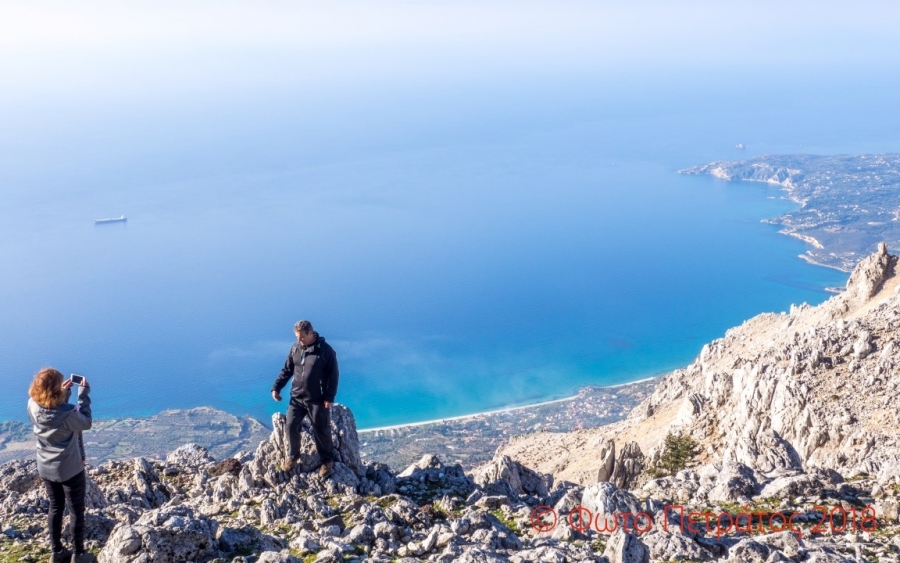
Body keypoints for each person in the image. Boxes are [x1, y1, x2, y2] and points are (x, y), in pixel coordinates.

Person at [27, 368, 95, 563]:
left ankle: (57, 552)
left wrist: (64, 395)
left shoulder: (32, 405)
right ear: (55, 390)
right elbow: (86, 422)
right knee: (76, 511)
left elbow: (50, 412)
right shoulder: (68, 415)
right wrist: (84, 396)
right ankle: (79, 555)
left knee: (55, 507)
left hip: (45, 467)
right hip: (70, 469)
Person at [271, 320, 339, 478]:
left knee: (321, 430)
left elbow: (333, 375)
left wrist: (329, 397)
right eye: (297, 337)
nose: (299, 340)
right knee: (290, 426)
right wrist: (276, 387)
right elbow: (287, 369)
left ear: (310, 333)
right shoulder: (295, 348)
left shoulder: (326, 351)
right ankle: (293, 456)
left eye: (301, 337)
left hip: (317, 399)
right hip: (297, 397)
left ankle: (327, 461)